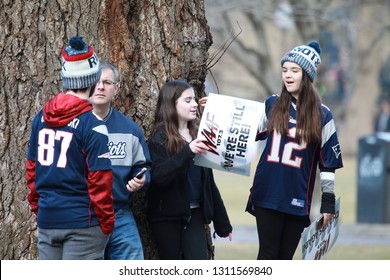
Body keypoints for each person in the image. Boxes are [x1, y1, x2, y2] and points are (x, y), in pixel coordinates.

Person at [246, 41, 344, 260]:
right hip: (267, 193)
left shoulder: (323, 116)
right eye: (284, 70)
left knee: (285, 258)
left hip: (298, 197)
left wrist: (328, 203)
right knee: (268, 255)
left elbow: (328, 164)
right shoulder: (272, 104)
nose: (287, 75)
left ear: (306, 76)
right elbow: (244, 129)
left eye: (294, 70)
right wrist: (215, 112)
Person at [26, 36, 115, 260]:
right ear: (93, 80)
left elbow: (32, 169)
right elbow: (100, 180)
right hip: (83, 225)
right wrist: (106, 222)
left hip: (48, 219)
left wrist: (39, 209)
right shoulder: (93, 126)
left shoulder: (40, 118)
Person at [147, 80, 233, 260]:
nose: (194, 104)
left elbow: (209, 183)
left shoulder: (199, 135)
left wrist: (223, 224)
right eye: (187, 101)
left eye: (194, 99)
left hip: (194, 215)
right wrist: (188, 151)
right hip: (167, 218)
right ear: (171, 104)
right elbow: (160, 176)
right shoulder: (160, 137)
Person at [90, 60, 152, 260]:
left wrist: (141, 178)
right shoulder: (74, 126)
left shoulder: (129, 129)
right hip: (84, 215)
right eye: (96, 82)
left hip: (119, 213)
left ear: (116, 89)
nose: (100, 87)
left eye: (107, 83)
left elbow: (143, 166)